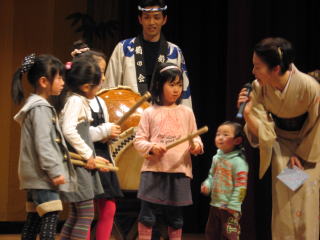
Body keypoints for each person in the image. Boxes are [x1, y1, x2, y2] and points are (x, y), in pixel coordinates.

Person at [237, 37, 320, 239]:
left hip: (309, 148)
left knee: (306, 201)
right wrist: (247, 113)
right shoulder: (259, 88)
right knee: (284, 204)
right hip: (280, 145)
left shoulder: (309, 86)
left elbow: (317, 123)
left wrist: (301, 155)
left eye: (258, 67)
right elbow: (262, 129)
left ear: (275, 68)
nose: (253, 72)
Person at [133, 62, 204, 240]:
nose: (176, 89)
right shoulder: (149, 112)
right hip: (153, 171)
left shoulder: (186, 112)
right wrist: (151, 147)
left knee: (176, 218)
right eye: (171, 84)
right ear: (159, 84)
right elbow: (139, 141)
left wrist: (196, 146)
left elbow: (195, 137)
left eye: (179, 85)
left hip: (179, 171)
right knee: (147, 215)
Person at [12, 53, 77, 240]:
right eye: (58, 77)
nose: (62, 82)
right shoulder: (40, 108)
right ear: (43, 81)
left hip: (36, 176)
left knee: (33, 219)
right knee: (50, 216)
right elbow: (44, 144)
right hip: (42, 175)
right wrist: (54, 171)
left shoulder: (37, 106)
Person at [72, 40, 124, 240]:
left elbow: (105, 131)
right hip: (85, 156)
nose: (103, 77)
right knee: (85, 211)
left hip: (102, 156)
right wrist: (104, 130)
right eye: (98, 72)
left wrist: (112, 134)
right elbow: (82, 134)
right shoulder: (77, 100)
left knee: (108, 208)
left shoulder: (101, 100)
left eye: (103, 72)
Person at [104, 0, 192, 108]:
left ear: (164, 20)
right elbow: (110, 86)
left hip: (164, 118)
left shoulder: (174, 51)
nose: (151, 22)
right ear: (140, 19)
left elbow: (183, 91)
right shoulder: (123, 48)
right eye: (146, 17)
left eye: (156, 17)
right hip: (131, 117)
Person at [58, 55, 109, 240]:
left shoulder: (77, 100)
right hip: (78, 166)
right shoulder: (76, 101)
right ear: (86, 87)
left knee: (76, 216)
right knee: (86, 215)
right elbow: (68, 130)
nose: (100, 86)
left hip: (81, 165)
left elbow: (83, 134)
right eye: (98, 84)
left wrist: (94, 158)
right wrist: (88, 155)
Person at [201, 121, 248, 240]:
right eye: (218, 134)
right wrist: (207, 184)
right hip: (215, 205)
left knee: (230, 235)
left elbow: (241, 187)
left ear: (237, 141)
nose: (220, 137)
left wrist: (234, 205)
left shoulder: (239, 162)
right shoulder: (216, 158)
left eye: (226, 134)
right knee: (211, 234)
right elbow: (212, 176)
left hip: (230, 209)